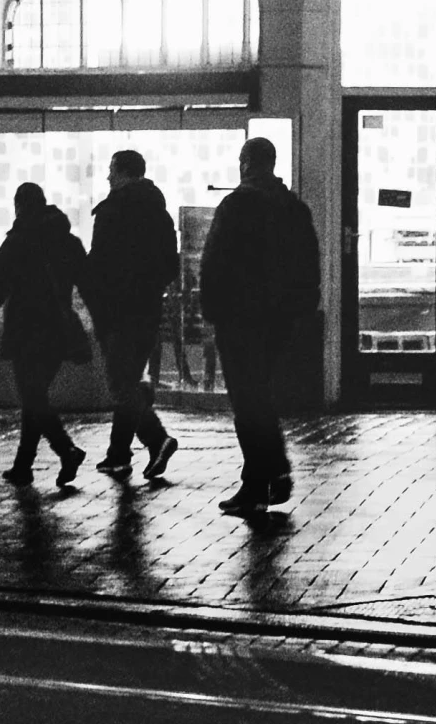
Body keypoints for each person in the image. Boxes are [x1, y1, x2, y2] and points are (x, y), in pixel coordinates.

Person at [196, 136, 319, 515]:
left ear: (247, 163)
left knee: (248, 401)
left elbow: (214, 261)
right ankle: (266, 478)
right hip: (280, 319)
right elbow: (309, 263)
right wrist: (299, 309)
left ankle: (265, 478)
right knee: (260, 395)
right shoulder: (294, 208)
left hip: (240, 318)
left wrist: (211, 308)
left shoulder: (237, 205)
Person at [0, 183, 89, 487]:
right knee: (35, 398)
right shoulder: (69, 242)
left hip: (27, 333)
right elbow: (89, 282)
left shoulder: (17, 242)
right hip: (59, 332)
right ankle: (23, 465)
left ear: (19, 206)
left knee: (33, 397)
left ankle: (66, 449)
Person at [81, 149, 181, 481]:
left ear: (124, 173)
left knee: (121, 383)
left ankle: (157, 439)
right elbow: (171, 265)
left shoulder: (112, 212)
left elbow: (97, 266)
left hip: (117, 312)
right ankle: (118, 455)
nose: (108, 176)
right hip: (148, 311)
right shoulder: (159, 213)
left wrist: (96, 301)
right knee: (129, 380)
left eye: (112, 170)